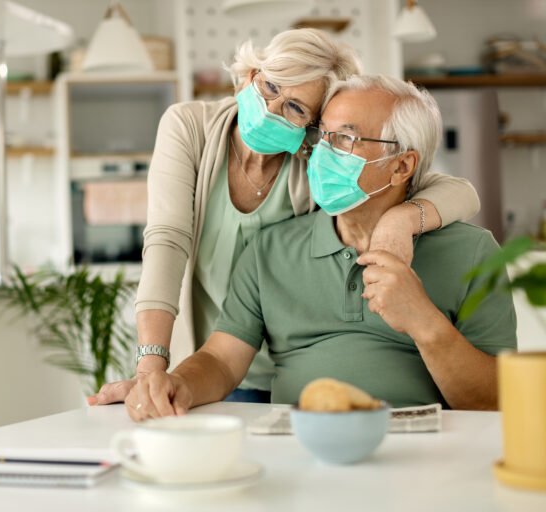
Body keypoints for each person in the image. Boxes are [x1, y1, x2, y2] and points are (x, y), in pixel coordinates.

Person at [88, 29, 481, 407]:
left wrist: (401, 221)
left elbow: (459, 191)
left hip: (288, 365)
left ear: (313, 126)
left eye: (294, 107)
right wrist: (151, 369)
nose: (272, 108)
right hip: (214, 363)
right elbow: (167, 241)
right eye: (271, 86)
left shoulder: (317, 157)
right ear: (251, 75)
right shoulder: (190, 126)